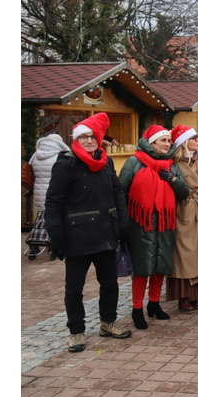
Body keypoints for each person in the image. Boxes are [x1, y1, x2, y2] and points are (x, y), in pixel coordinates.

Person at [44, 113, 132, 352]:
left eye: (93, 137)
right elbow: (53, 203)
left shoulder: (107, 162)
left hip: (106, 233)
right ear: (76, 139)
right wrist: (56, 236)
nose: (89, 141)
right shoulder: (65, 164)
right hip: (77, 237)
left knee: (110, 283)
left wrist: (122, 225)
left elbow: (117, 195)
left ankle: (108, 322)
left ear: (100, 139)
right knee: (74, 289)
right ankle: (76, 332)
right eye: (84, 137)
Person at [119, 125, 189, 330]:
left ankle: (155, 303)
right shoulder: (134, 162)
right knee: (142, 268)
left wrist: (173, 180)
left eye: (169, 141)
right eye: (163, 141)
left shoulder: (171, 165)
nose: (167, 144)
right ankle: (136, 309)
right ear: (151, 143)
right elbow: (121, 190)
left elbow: (183, 192)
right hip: (141, 223)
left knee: (160, 265)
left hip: (165, 223)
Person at [167, 126, 198, 312]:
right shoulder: (174, 162)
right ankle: (183, 296)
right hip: (182, 210)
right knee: (184, 253)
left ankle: (195, 294)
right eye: (194, 138)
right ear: (184, 142)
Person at [28, 134, 70, 257]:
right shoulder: (59, 156)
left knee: (40, 220)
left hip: (38, 190)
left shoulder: (36, 155)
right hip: (54, 192)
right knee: (54, 219)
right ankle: (52, 246)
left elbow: (30, 170)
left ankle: (34, 244)